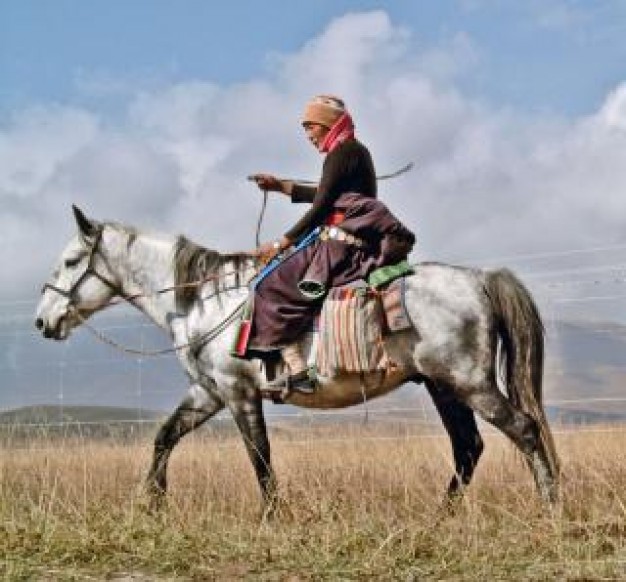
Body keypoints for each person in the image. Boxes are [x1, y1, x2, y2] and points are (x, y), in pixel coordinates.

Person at [247, 95, 415, 393]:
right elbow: (327, 195)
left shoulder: (341, 153)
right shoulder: (352, 151)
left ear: (327, 124)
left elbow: (321, 207)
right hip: (348, 241)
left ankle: (297, 370)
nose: (309, 136)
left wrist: (280, 244)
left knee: (269, 283)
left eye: (311, 127)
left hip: (340, 248)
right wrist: (279, 187)